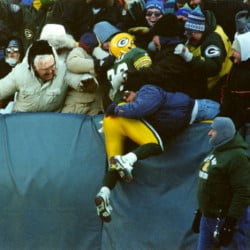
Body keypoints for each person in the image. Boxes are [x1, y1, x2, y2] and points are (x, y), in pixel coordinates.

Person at [95, 84, 220, 222]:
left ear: (132, 90)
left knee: (115, 162)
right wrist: (120, 109)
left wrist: (117, 109)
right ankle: (127, 161)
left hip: (203, 108)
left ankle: (104, 192)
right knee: (155, 145)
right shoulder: (129, 112)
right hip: (190, 113)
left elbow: (143, 107)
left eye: (127, 94)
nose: (128, 99)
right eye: (124, 97)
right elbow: (139, 111)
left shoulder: (147, 91)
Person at [191, 117, 250, 249]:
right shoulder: (217, 150)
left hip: (225, 219)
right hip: (208, 217)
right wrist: (201, 211)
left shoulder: (238, 157)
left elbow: (242, 192)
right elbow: (210, 184)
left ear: (223, 133)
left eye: (213, 130)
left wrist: (230, 223)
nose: (209, 133)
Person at [0, 40, 85, 112]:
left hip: (51, 123)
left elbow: (78, 80)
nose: (51, 71)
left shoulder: (63, 69)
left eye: (52, 66)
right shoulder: (20, 72)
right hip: (22, 122)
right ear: (34, 67)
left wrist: (86, 82)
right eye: (45, 69)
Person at [174, 6, 232, 102]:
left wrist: (190, 58)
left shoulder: (213, 41)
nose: (188, 36)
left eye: (190, 33)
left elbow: (213, 67)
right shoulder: (205, 33)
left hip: (219, 84)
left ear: (199, 30)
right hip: (208, 82)